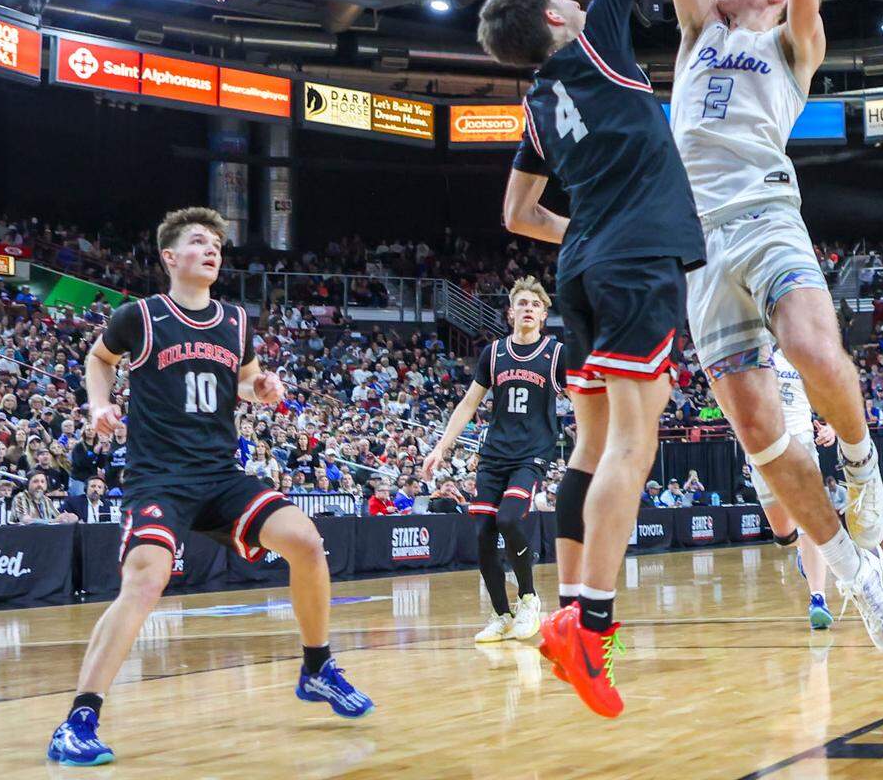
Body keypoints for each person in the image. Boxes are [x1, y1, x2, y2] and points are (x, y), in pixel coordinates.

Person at [477, 0, 705, 718]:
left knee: (588, 442)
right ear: (555, 20)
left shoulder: (537, 102)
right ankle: (589, 620)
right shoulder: (596, 44)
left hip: (580, 265)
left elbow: (516, 216)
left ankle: (565, 612)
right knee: (633, 445)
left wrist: (596, 226)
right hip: (637, 256)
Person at [668, 0, 883, 652]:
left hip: (766, 218)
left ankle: (865, 470)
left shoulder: (791, 46)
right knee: (767, 444)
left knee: (811, 345)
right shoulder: (700, 36)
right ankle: (854, 575)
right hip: (697, 250)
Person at [48, 208, 372, 767]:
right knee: (145, 579)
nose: (211, 249)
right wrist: (99, 403)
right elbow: (98, 359)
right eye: (198, 241)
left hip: (221, 475)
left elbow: (244, 380)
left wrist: (260, 386)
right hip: (160, 477)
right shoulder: (141, 317)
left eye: (217, 243)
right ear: (170, 257)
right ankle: (79, 717)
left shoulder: (235, 321)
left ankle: (317, 667)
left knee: (306, 541)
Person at [424, 277, 564, 644]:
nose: (528, 308)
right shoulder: (494, 352)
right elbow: (469, 403)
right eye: (522, 303)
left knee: (507, 518)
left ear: (544, 314)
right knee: (484, 535)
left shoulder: (555, 353)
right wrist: (442, 446)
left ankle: (529, 599)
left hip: (531, 453)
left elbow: (582, 399)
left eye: (535, 303)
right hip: (494, 454)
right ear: (510, 312)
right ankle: (502, 615)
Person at [748, 348, 836, 631]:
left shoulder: (803, 354)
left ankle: (818, 600)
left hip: (802, 443)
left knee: (810, 524)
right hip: (763, 450)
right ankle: (800, 552)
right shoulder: (751, 355)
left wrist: (830, 428)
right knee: (784, 533)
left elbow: (829, 398)